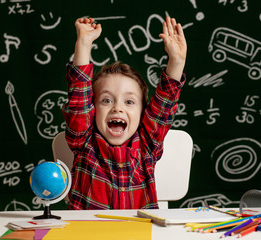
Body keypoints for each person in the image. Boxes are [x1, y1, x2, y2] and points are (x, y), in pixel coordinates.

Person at [62, 16, 187, 210]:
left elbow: (164, 105)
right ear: (92, 109)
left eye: (129, 102)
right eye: (106, 100)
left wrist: (177, 61)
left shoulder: (147, 145)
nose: (117, 108)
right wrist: (84, 44)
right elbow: (79, 97)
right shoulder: (84, 141)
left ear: (143, 113)